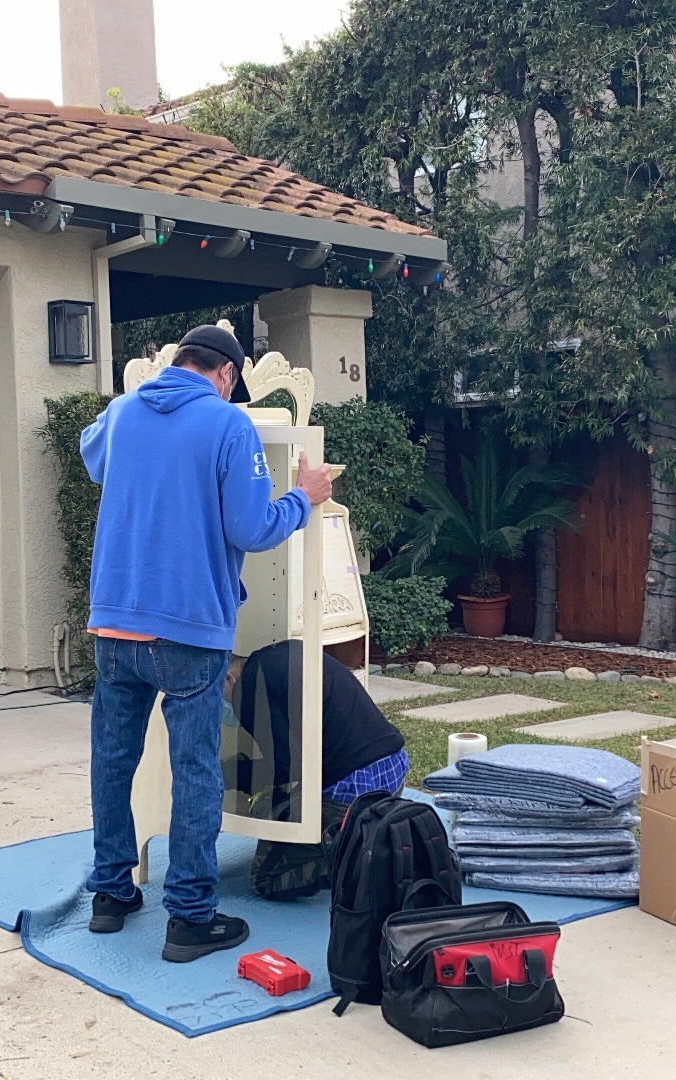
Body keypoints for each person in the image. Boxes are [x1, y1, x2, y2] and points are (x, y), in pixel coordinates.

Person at [79, 324, 332, 963]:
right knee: (195, 771)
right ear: (226, 374)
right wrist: (304, 498)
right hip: (189, 629)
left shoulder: (120, 412)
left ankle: (111, 896)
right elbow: (251, 525)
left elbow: (93, 457)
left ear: (178, 364)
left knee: (113, 762)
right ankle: (189, 918)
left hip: (113, 624)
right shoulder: (228, 426)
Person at [224, 639, 408, 900]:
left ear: (229, 678)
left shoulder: (246, 688)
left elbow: (286, 766)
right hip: (393, 768)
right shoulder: (284, 651)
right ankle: (362, 836)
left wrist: (232, 774)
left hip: (353, 788)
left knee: (266, 879)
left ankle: (355, 860)